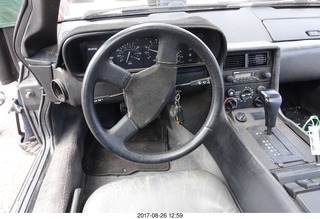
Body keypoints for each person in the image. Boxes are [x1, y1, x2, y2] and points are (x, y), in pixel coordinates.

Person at [0, 0, 39, 155]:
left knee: (26, 76)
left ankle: (32, 135)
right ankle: (32, 136)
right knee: (29, 77)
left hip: (13, 13)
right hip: (14, 15)